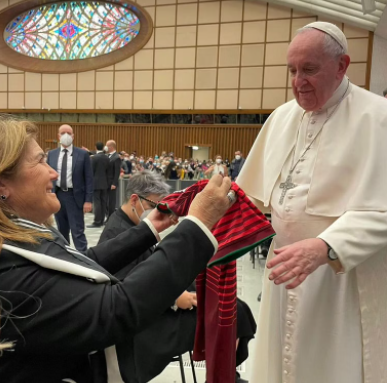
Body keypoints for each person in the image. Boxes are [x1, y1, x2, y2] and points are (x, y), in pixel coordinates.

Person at [0, 117, 233, 383]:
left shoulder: (22, 233)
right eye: (40, 161)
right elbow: (116, 310)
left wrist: (148, 230)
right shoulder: (9, 268)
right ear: (3, 184)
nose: (52, 172)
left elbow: (83, 264)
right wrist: (197, 225)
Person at [237, 22, 387, 383]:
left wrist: (325, 247)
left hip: (340, 279)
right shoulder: (280, 118)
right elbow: (249, 195)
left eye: (309, 69)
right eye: (292, 70)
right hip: (283, 269)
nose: (298, 81)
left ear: (342, 65)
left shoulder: (377, 118)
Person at [47, 124, 93, 251]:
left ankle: (83, 258)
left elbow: (89, 179)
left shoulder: (82, 154)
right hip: (57, 195)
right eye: (63, 133)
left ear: (73, 136)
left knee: (77, 231)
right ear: (58, 136)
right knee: (61, 231)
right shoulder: (52, 154)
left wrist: (88, 200)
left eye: (68, 132)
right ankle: (65, 257)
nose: (66, 135)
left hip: (75, 197)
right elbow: (47, 176)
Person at [88, 142, 110, 228]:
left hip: (96, 183)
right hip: (105, 182)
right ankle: (101, 221)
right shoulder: (107, 158)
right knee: (103, 202)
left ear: (95, 147)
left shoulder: (94, 158)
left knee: (97, 202)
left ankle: (97, 221)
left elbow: (91, 171)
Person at [105, 140, 121, 218]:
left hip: (111, 183)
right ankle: (107, 216)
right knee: (105, 201)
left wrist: (114, 183)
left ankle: (110, 217)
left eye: (107, 145)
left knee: (111, 201)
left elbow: (117, 172)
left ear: (111, 147)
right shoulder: (107, 156)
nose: (105, 147)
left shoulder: (116, 157)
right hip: (105, 183)